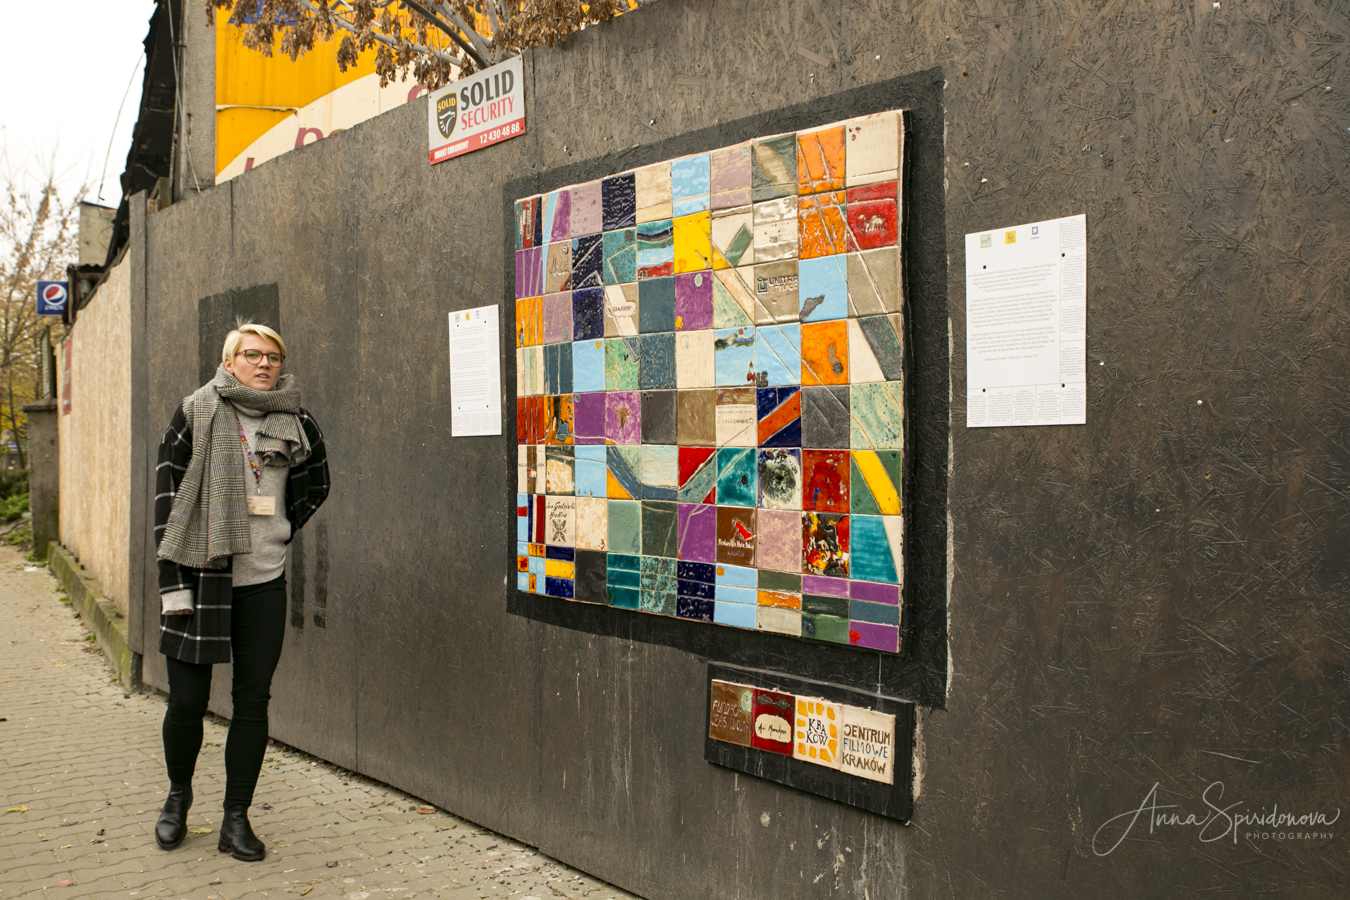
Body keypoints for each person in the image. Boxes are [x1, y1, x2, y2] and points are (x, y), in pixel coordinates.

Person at [152, 322, 329, 861]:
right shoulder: (195, 412)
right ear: (229, 362)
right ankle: (177, 798)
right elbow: (166, 501)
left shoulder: (296, 419)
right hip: (200, 574)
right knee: (187, 701)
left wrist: (276, 532)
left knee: (252, 703)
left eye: (274, 356)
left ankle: (236, 818)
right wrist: (172, 585)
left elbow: (316, 484)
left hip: (263, 582)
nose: (264, 363)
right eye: (252, 354)